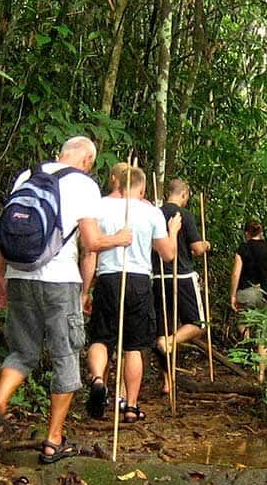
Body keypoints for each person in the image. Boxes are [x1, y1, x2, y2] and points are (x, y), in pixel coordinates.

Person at [0, 136, 133, 462]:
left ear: (61, 153)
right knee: (64, 357)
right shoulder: (84, 185)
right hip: (59, 282)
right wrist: (118, 239)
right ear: (88, 160)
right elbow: (91, 243)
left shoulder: (27, 176)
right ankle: (53, 441)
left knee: (22, 352)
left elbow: (3, 232)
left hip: (20, 276)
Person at [82, 164, 179, 423]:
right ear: (142, 188)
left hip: (108, 278)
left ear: (117, 183)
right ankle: (131, 406)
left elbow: (90, 251)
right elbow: (168, 254)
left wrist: (84, 290)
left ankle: (99, 379)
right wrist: (174, 231)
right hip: (138, 281)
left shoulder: (99, 206)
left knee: (101, 338)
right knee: (134, 347)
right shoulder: (150, 212)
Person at [153, 178, 210, 393]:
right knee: (198, 324)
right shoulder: (184, 215)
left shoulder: (155, 213)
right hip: (183, 276)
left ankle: (168, 382)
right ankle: (172, 340)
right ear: (184, 194)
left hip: (158, 277)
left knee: (162, 329)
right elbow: (196, 249)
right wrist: (205, 245)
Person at [229, 220, 267, 383]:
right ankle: (261, 375)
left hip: (246, 293)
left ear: (246, 234)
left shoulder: (242, 249)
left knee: (243, 324)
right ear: (261, 232)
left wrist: (233, 295)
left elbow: (236, 273)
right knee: (265, 336)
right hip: (266, 295)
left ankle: (248, 352)